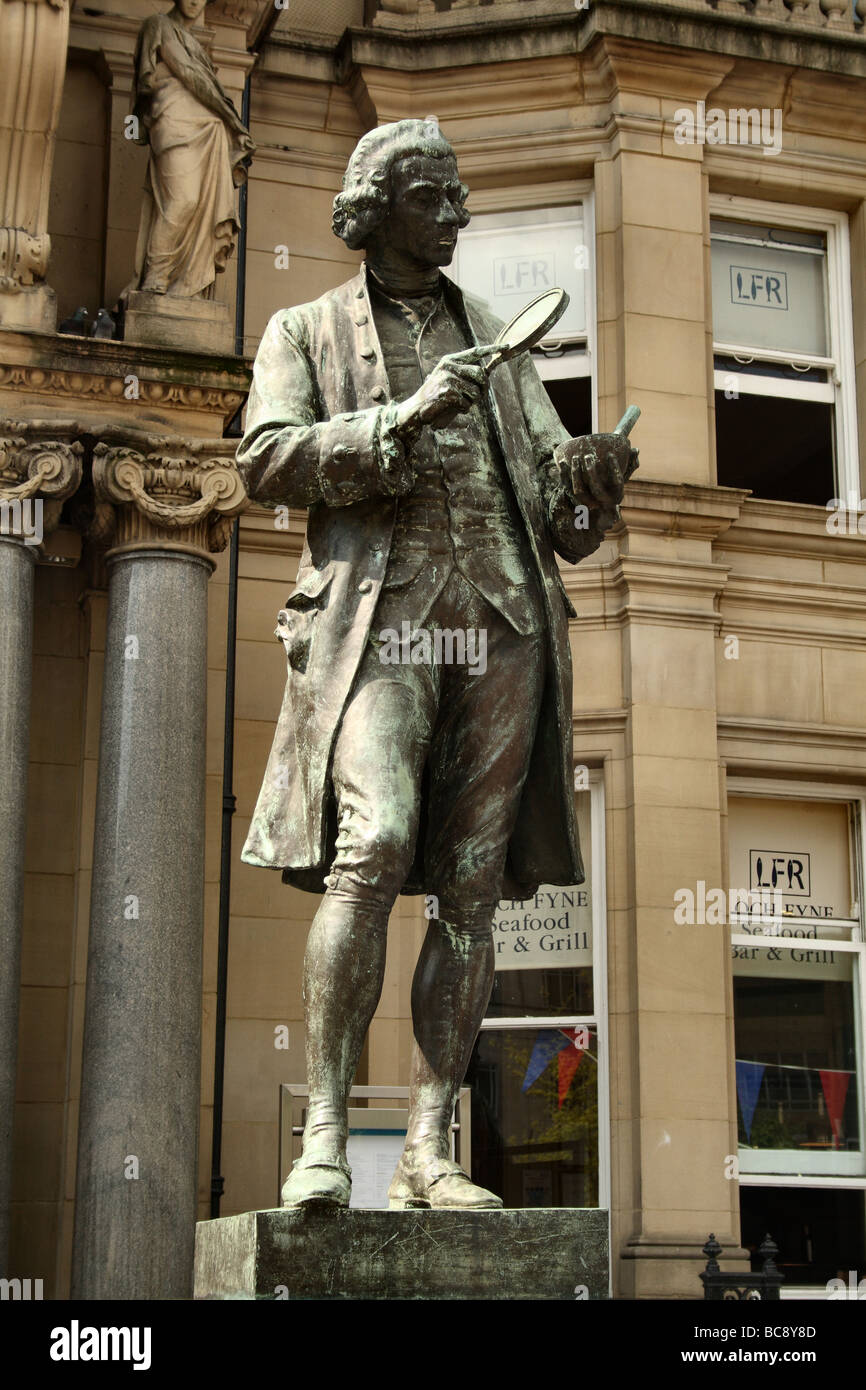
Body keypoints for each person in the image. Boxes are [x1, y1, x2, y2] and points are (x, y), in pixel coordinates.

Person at [238, 119, 635, 1210]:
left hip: (502, 621)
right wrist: (396, 424)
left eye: (460, 194)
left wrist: (588, 481)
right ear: (377, 208)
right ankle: (324, 1133)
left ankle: (428, 1146)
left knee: (470, 890)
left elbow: (557, 512)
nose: (458, 212)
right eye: (435, 195)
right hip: (384, 625)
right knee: (376, 845)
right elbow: (265, 458)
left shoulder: (499, 336)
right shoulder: (304, 328)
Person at [128, 0, 255, 300]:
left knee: (199, 205)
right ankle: (155, 280)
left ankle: (186, 283)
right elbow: (187, 73)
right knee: (182, 200)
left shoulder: (195, 43)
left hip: (206, 131)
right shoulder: (158, 25)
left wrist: (227, 123)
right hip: (173, 123)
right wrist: (232, 120)